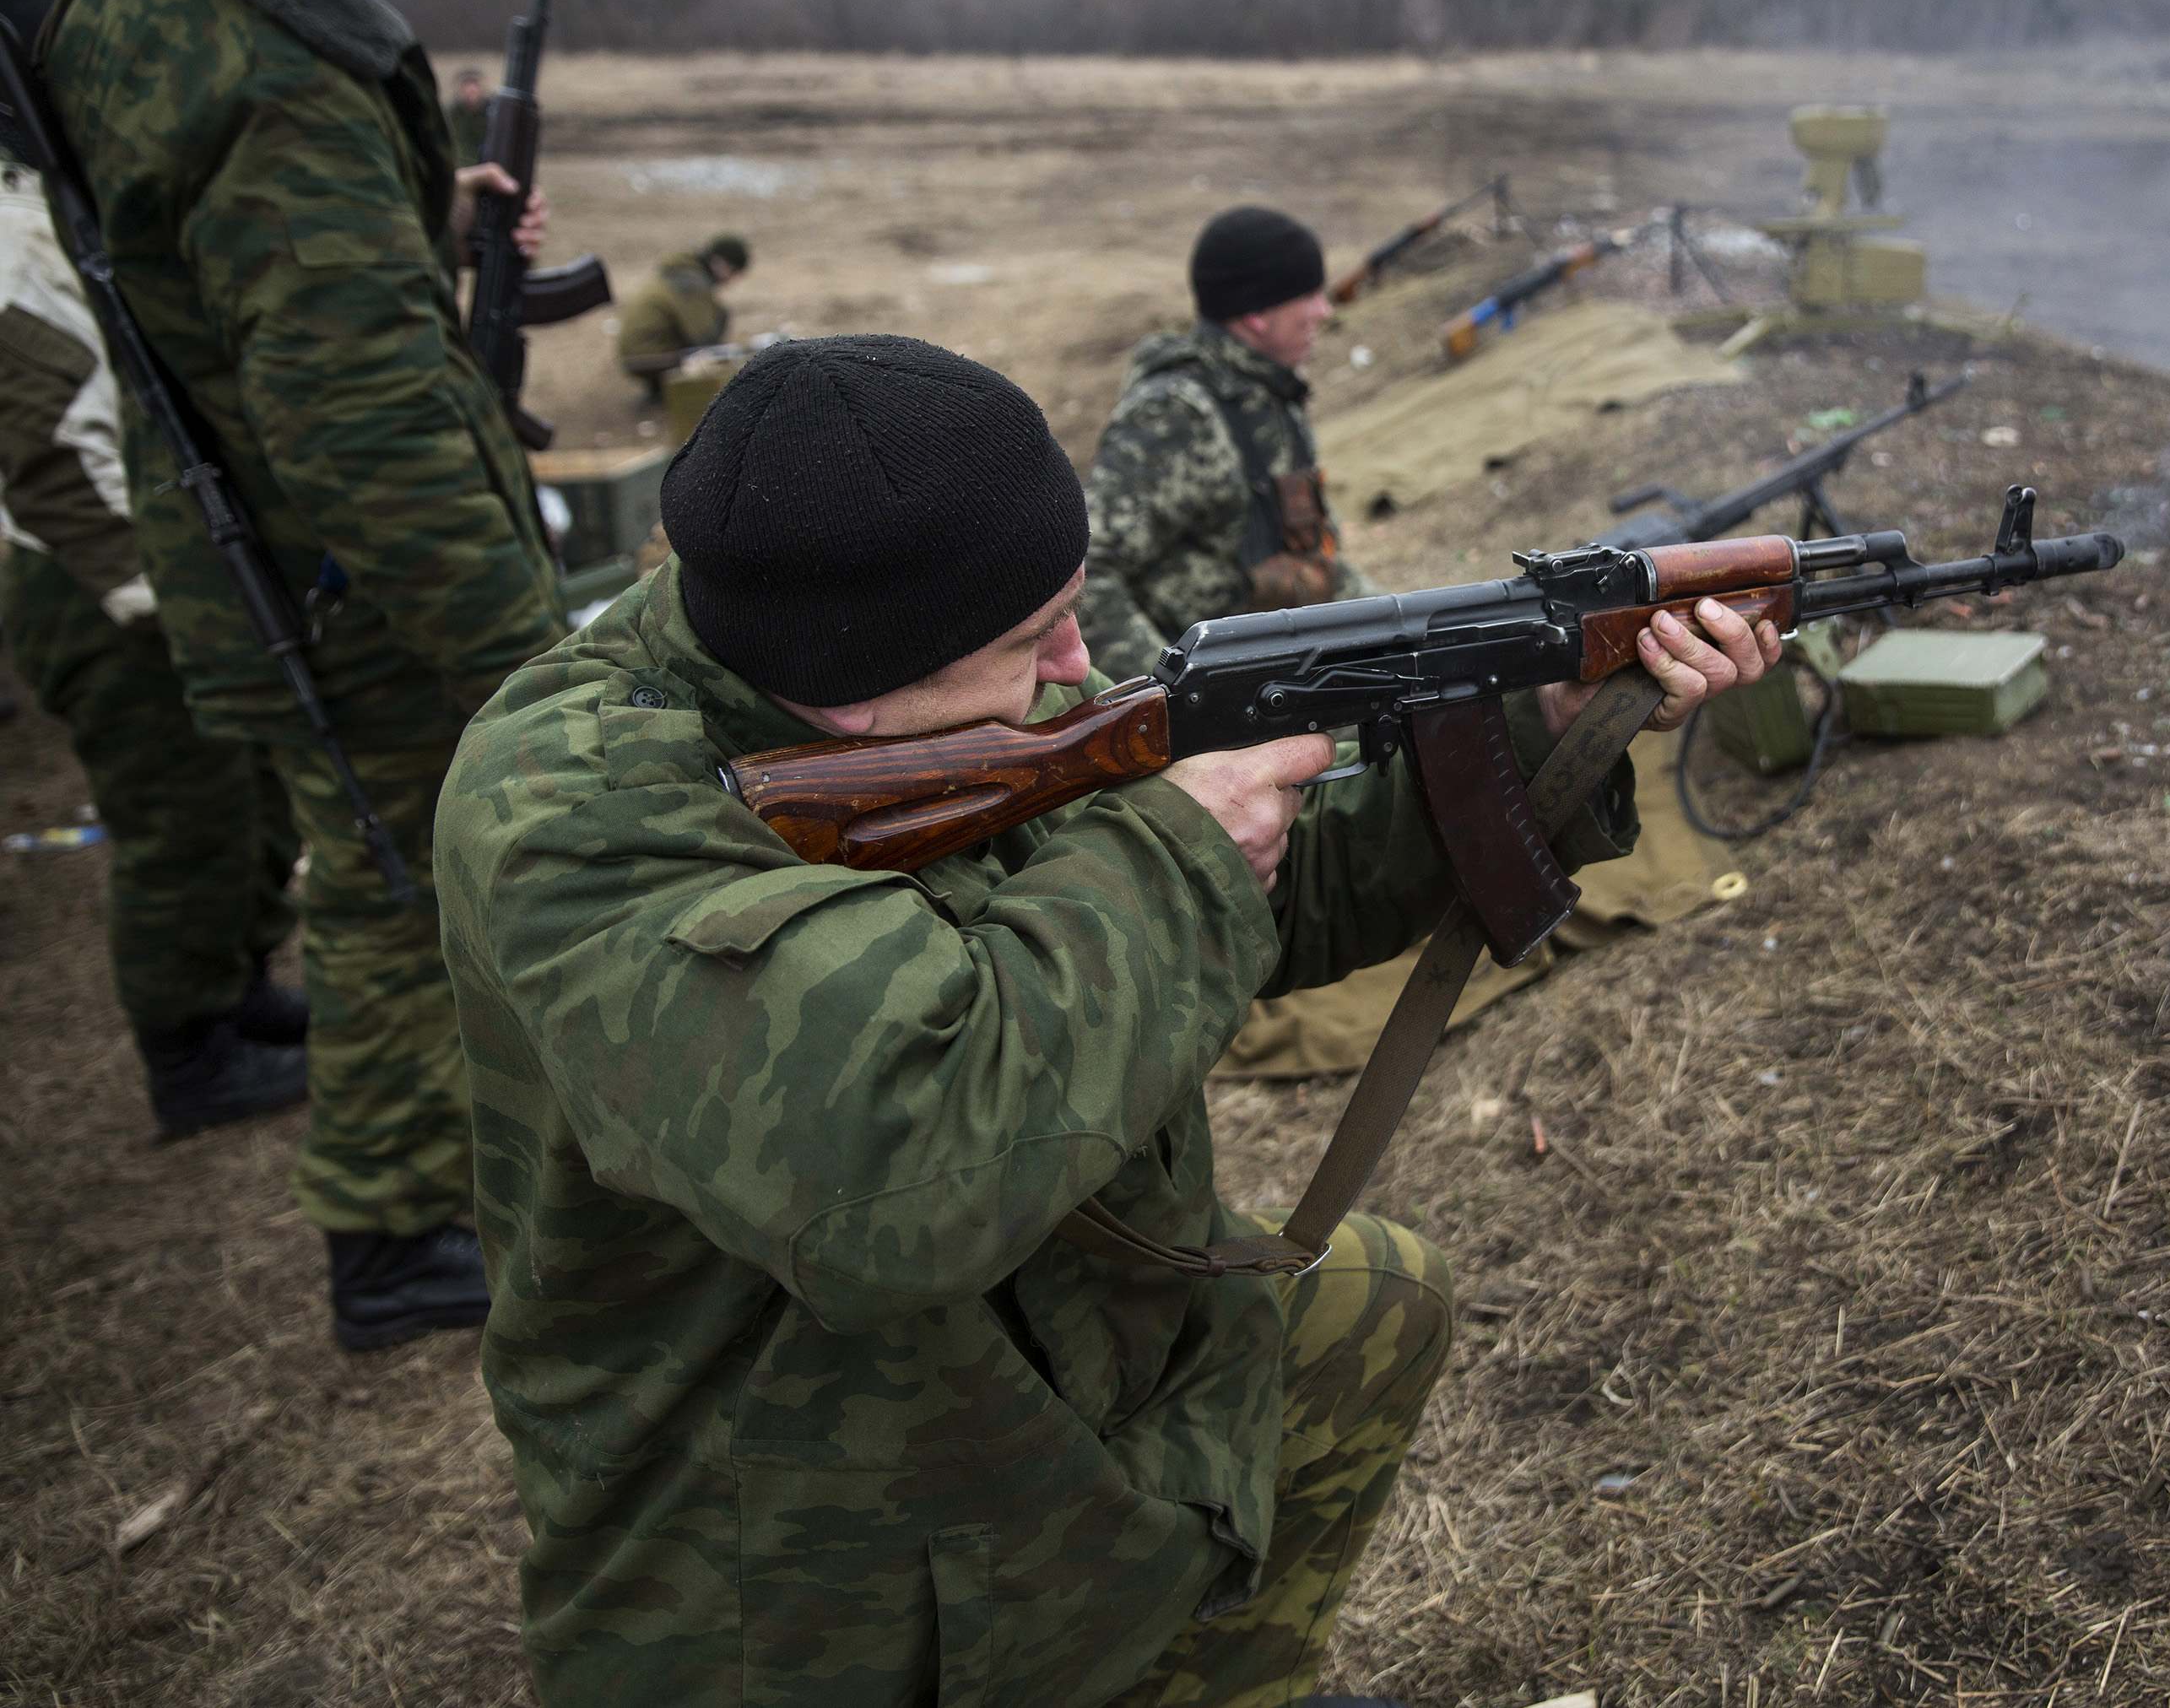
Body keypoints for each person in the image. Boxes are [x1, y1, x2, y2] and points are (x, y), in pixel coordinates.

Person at [435, 335, 1777, 1707]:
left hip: (1066, 1393)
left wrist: (1554, 721)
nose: (1082, 661)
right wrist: (1188, 846)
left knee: (1376, 1300)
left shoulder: (946, 686)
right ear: (850, 684)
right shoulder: (572, 811)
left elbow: (1260, 904)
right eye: (1034, 638)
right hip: (797, 1577)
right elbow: (894, 1175)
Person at [43, 0, 567, 1352]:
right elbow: (353, 415)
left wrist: (417, 216)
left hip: (257, 556)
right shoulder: (270, 59)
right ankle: (400, 1232)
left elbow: (217, 286)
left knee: (366, 869)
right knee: (403, 882)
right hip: (346, 587)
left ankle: (412, 1191)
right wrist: (515, 655)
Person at [0, 127, 307, 1138]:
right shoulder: (13, 244)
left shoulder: (59, 210)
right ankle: (188, 1051)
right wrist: (149, 591)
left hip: (162, 564)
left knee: (247, 797)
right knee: (182, 817)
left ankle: (238, 988)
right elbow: (48, 458)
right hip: (100, 582)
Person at [1080, 205, 1368, 681]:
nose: (1324, 311)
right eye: (1309, 295)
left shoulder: (1270, 398)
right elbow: (1087, 574)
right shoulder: (1177, 413)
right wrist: (1170, 697)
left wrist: (1413, 628)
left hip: (1280, 675)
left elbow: (1316, 563)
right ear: (1256, 313)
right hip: (1218, 711)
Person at [615, 232, 750, 401]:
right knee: (712, 352)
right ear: (721, 263)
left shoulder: (682, 272)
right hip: (644, 357)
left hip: (635, 352)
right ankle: (674, 392)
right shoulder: (692, 282)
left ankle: (662, 391)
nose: (732, 280)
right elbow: (704, 338)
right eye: (734, 272)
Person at [446, 64, 489, 165]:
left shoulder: (491, 111)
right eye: (467, 85)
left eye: (475, 84)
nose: (471, 89)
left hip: (486, 165)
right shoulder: (452, 113)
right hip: (461, 167)